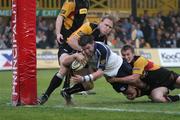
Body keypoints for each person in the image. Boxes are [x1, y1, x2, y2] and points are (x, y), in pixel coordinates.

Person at [60, 35, 147, 104]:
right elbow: (64, 62)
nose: (86, 51)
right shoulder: (82, 52)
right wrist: (74, 56)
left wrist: (83, 78)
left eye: (88, 48)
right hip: (110, 75)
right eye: (84, 49)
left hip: (120, 67)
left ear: (93, 43)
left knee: (138, 82)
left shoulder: (101, 50)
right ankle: (67, 92)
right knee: (131, 94)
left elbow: (100, 72)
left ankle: (152, 89)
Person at [38, 0, 89, 105]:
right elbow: (60, 17)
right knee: (64, 67)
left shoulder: (87, 3)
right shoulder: (71, 2)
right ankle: (47, 95)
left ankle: (65, 91)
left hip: (76, 42)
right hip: (65, 41)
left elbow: (83, 21)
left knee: (72, 69)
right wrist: (58, 34)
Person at [108, 44, 180, 103]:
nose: (126, 57)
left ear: (133, 54)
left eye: (128, 54)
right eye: (123, 55)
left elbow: (134, 78)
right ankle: (178, 97)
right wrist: (134, 93)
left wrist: (115, 79)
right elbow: (134, 83)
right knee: (157, 98)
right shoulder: (125, 66)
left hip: (168, 77)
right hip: (156, 86)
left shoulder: (139, 60)